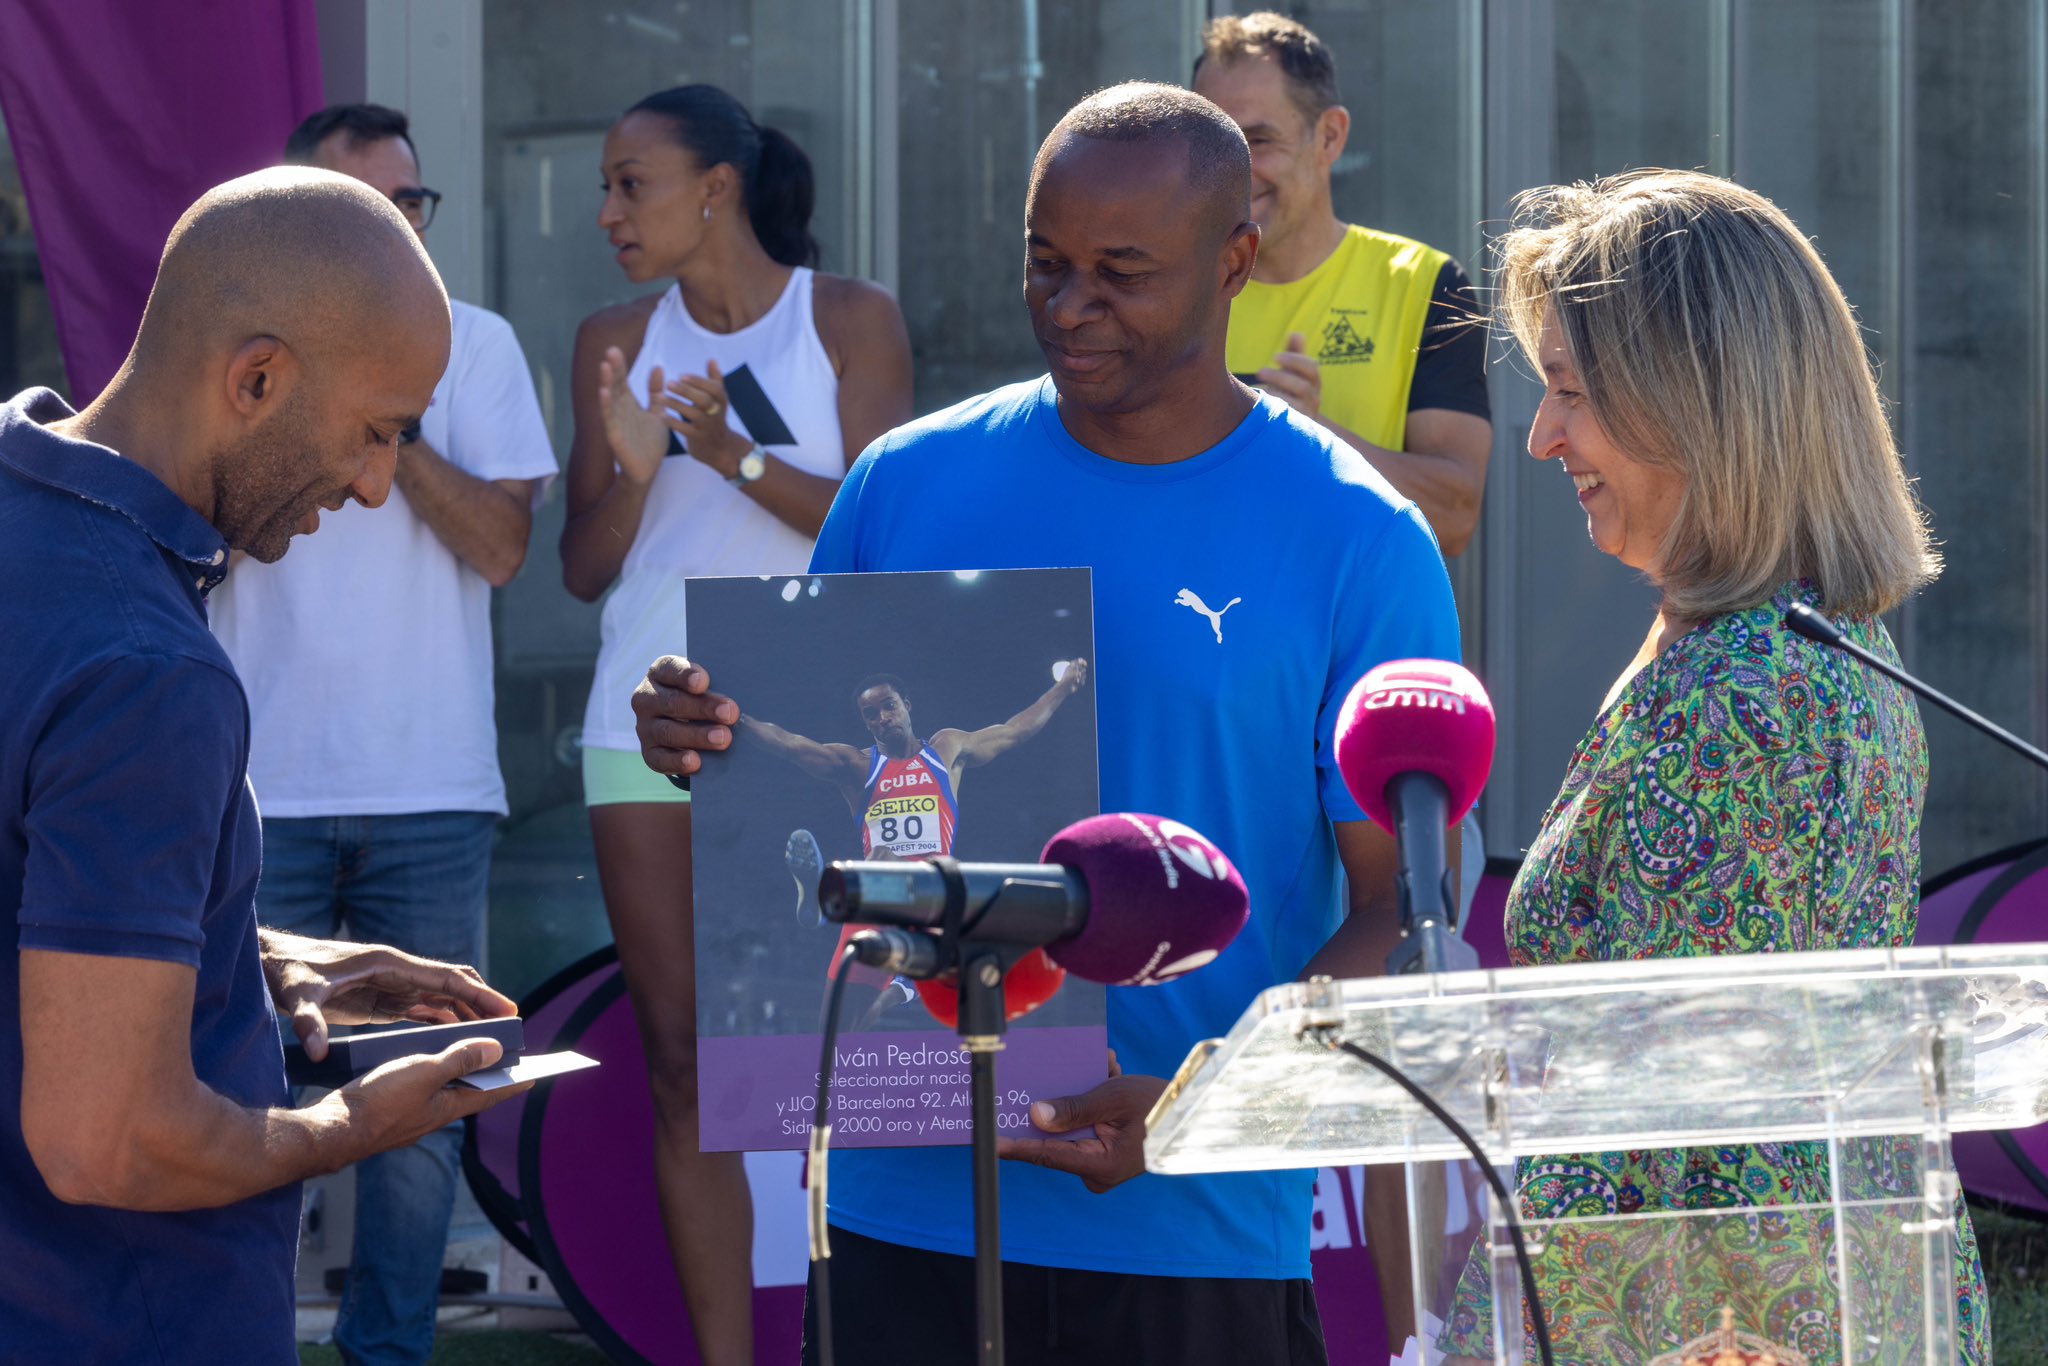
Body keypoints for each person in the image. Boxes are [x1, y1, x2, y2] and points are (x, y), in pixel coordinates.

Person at [633, 83, 1462, 1366]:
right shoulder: (903, 482)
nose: (1070, 305)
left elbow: (1401, 916)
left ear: (1234, 259)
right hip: (900, 1206)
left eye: (1120, 273)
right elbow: (820, 797)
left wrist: (1200, 1102)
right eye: (1044, 263)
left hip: (1193, 1235)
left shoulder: (1360, 535)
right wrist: (705, 740)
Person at [1436, 170, 1987, 1364]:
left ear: (1691, 402)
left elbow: (1691, 1125)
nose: (1538, 438)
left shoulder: (1742, 695)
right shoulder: (1797, 644)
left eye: (1568, 393)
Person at [0, 169, 529, 1364]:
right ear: (255, 379)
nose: (377, 484)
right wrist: (347, 1125)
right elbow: (108, 1138)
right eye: (378, 430)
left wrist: (250, 951)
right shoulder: (146, 668)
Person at [559, 84, 913, 1366]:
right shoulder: (611, 336)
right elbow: (583, 569)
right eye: (605, 187)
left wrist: (730, 455)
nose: (608, 212)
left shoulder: (850, 319)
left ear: (715, 188)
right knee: (683, 1065)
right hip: (640, 728)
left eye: (630, 184)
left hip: (813, 732)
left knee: (847, 1058)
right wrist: (635, 467)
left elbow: (879, 538)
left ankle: (863, 1338)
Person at [204, 104, 559, 1366]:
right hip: (263, 784)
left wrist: (386, 415)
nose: (401, 226)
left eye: (412, 204)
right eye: (369, 206)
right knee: (241, 1088)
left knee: (434, 1090)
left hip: (429, 782)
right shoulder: (237, 357)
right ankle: (244, 1336)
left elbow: (505, 549)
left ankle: (388, 1354)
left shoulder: (481, 344)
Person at [1192, 11, 1493, 559]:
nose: (1234, 169)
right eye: (1214, 145)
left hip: (1363, 617)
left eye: (1259, 140)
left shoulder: (1424, 284)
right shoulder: (1170, 289)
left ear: (1330, 136)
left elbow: (1455, 518)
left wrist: (1311, 434)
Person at [751, 663, 1090, 1024]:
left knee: (885, 862)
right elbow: (789, 745)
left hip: (929, 893)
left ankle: (831, 899)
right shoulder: (858, 765)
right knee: (838, 1028)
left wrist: (1063, 688)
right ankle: (855, 936)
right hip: (878, 899)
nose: (882, 718)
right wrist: (736, 719)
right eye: (871, 714)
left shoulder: (946, 750)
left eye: (889, 706)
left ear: (907, 705)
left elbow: (1014, 731)